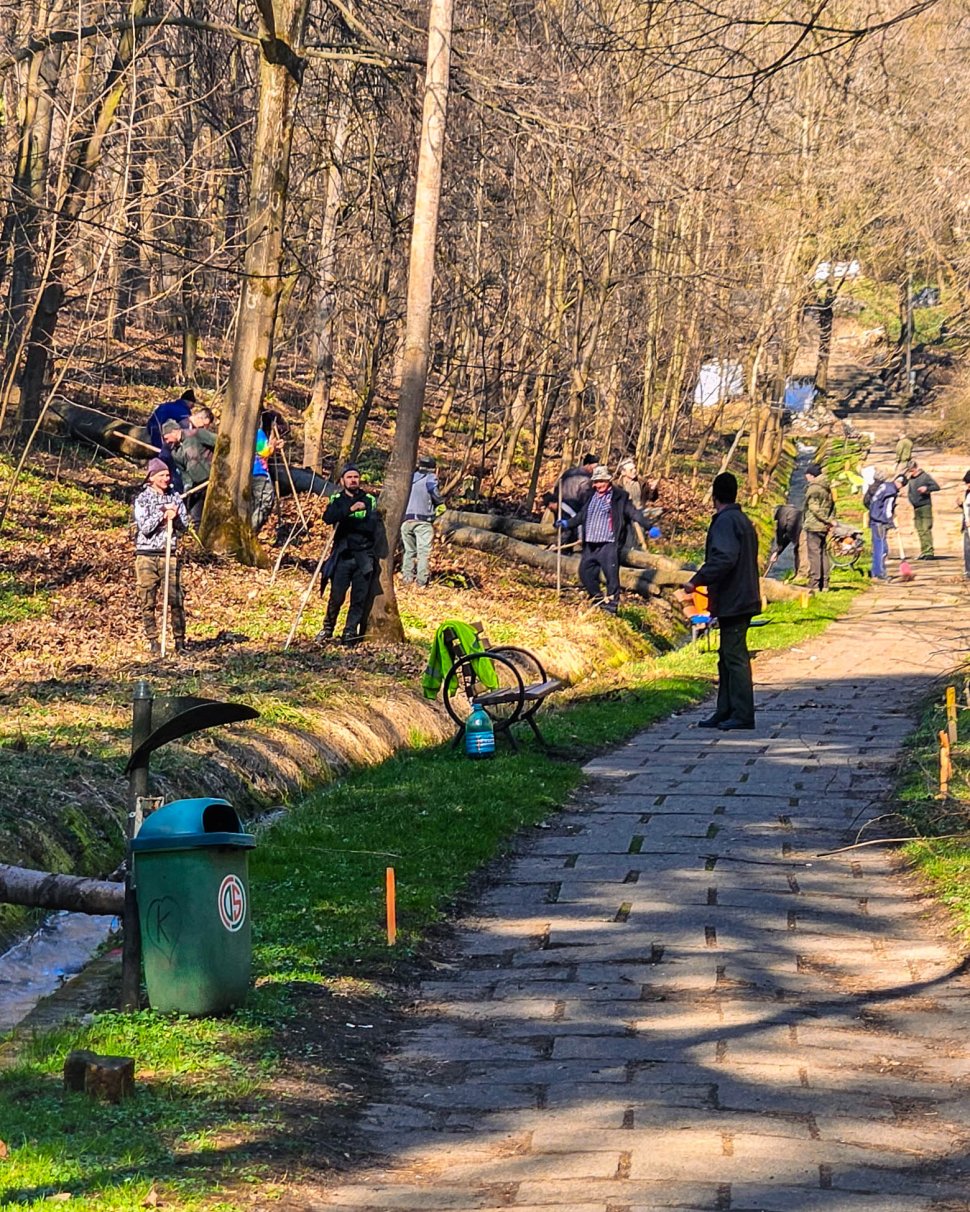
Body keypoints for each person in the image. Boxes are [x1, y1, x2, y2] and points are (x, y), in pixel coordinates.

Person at [683, 472, 760, 732]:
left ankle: (742, 714)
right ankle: (725, 710)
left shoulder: (726, 522)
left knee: (734, 657)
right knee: (726, 656)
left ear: (714, 496)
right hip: (740, 596)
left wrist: (697, 580)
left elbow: (724, 558)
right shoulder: (742, 520)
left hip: (735, 598)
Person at [555, 464, 650, 613]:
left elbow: (634, 513)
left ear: (608, 481)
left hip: (608, 543)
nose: (598, 485)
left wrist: (649, 526)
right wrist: (567, 523)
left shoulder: (619, 497)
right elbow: (582, 516)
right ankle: (598, 598)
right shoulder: (590, 495)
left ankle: (612, 606)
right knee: (585, 572)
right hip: (590, 543)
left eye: (602, 481)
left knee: (611, 576)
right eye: (596, 482)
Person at [133, 458, 189, 656]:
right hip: (146, 555)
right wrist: (163, 515)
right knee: (147, 599)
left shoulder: (175, 497)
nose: (166, 479)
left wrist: (176, 516)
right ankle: (153, 641)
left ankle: (180, 642)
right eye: (162, 475)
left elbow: (184, 526)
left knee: (176, 598)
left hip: (169, 554)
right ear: (152, 477)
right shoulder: (143, 499)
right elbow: (145, 527)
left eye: (167, 475)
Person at [318, 464, 378, 644]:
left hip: (364, 557)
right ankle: (327, 628)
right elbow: (328, 517)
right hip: (342, 555)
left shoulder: (369, 499)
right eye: (349, 477)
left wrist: (345, 520)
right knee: (336, 597)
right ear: (342, 480)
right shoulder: (337, 499)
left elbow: (370, 525)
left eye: (356, 477)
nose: (353, 480)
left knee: (358, 598)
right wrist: (350, 510)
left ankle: (350, 632)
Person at [401, 455, 444, 588]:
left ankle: (407, 579)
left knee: (409, 551)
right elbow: (434, 491)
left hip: (406, 521)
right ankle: (421, 582)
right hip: (423, 522)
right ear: (433, 468)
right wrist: (440, 503)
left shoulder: (410, 478)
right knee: (423, 553)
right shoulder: (430, 478)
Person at [172, 405, 216, 524]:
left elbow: (217, 442)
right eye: (205, 425)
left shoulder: (197, 432)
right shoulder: (184, 429)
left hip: (207, 476)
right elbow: (183, 467)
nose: (205, 428)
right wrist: (187, 485)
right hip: (193, 480)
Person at [803, 461, 835, 592]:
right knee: (823, 554)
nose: (806, 477)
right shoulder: (826, 486)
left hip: (814, 525)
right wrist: (830, 520)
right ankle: (825, 583)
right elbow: (832, 506)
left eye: (807, 475)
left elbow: (814, 508)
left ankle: (815, 583)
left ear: (812, 475)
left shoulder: (814, 488)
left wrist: (826, 519)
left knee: (814, 555)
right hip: (823, 527)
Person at [865, 470, 903, 580]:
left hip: (874, 519)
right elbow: (887, 509)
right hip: (879, 521)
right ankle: (879, 572)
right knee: (881, 548)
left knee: (879, 547)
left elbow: (870, 501)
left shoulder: (885, 486)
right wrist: (891, 523)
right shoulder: (891, 492)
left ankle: (875, 571)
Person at [906, 458, 940, 559]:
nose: (911, 472)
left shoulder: (925, 477)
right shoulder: (911, 479)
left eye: (912, 470)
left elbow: (937, 487)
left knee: (926, 529)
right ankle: (924, 551)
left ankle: (929, 552)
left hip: (925, 506)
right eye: (909, 471)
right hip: (916, 507)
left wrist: (926, 489)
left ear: (916, 468)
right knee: (920, 530)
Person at [251, 426, 277, 535]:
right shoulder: (257, 432)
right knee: (265, 502)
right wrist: (272, 446)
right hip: (258, 472)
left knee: (253, 504)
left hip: (247, 473)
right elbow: (264, 452)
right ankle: (251, 530)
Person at [766, 503, 803, 575]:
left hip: (798, 529)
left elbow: (780, 530)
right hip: (803, 528)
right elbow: (787, 537)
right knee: (799, 549)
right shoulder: (791, 512)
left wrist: (777, 548)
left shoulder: (781, 513)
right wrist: (778, 552)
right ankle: (798, 573)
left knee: (798, 550)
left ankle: (799, 573)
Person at [958, 471, 970, 580]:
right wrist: (961, 505)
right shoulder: (968, 493)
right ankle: (968, 570)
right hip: (967, 524)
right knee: (967, 549)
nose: (967, 485)